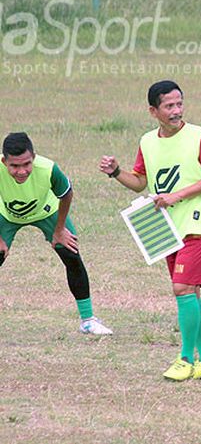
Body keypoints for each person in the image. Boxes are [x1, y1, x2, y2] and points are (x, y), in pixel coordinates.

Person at [99, 80, 201, 381]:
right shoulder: (147, 141)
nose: (176, 110)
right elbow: (140, 181)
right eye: (169, 106)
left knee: (181, 289)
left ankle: (184, 358)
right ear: (153, 111)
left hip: (198, 224)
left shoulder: (200, 136)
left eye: (179, 104)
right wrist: (116, 172)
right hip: (166, 229)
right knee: (190, 292)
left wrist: (176, 196)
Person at [0, 132, 112, 335]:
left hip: (47, 211)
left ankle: (88, 321)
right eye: (14, 166)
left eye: (26, 164)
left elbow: (66, 194)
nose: (21, 171)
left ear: (34, 157)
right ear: (4, 161)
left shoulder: (48, 168)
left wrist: (59, 230)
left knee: (71, 253)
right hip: (6, 215)